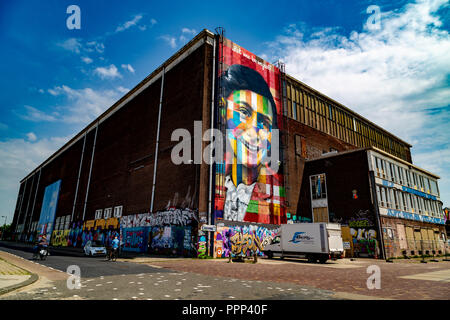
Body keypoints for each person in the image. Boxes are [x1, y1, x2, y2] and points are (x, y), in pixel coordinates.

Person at [218, 64, 281, 223]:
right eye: (244, 112)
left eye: (264, 122)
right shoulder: (214, 179)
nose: (253, 132)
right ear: (224, 114)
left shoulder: (275, 191)